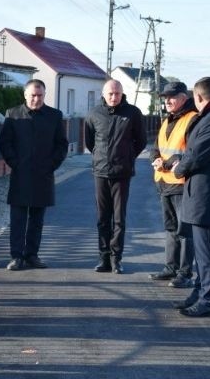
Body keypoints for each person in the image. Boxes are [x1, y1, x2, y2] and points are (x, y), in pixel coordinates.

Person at [171, 76, 210, 317]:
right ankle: (199, 293)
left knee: (206, 251)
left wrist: (178, 168)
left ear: (198, 96)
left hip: (207, 196)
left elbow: (197, 155)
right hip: (201, 194)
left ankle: (208, 301)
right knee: (202, 250)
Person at [0, 79, 68, 271]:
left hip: (43, 175)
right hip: (20, 174)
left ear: (44, 95)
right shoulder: (13, 114)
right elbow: (5, 143)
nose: (36, 99)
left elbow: (62, 144)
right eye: (32, 95)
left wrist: (52, 164)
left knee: (37, 220)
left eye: (40, 96)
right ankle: (16, 256)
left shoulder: (54, 116)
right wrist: (15, 163)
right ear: (25, 95)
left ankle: (32, 255)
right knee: (18, 219)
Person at [85, 79, 147, 274]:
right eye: (110, 93)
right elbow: (89, 141)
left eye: (117, 94)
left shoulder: (133, 113)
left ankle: (116, 259)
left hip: (122, 173)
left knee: (119, 219)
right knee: (103, 218)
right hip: (100, 173)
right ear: (103, 94)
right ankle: (103, 258)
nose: (114, 97)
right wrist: (100, 157)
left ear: (122, 94)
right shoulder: (94, 114)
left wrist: (127, 156)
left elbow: (141, 141)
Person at [149, 82, 197, 288]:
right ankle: (171, 268)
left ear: (184, 98)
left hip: (180, 183)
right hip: (164, 182)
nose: (167, 101)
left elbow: (190, 153)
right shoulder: (168, 119)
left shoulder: (192, 119)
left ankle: (185, 273)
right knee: (170, 228)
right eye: (165, 97)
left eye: (172, 97)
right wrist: (155, 158)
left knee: (184, 230)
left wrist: (167, 162)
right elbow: (156, 146)